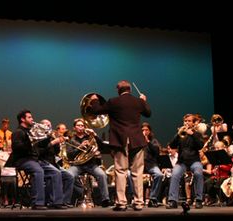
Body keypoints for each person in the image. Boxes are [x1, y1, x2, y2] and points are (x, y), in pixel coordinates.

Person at [87, 80, 151, 211]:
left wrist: (94, 100)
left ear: (118, 90)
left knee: (120, 171)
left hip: (120, 140)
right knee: (138, 172)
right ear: (130, 90)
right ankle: (139, 202)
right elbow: (148, 113)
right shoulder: (138, 102)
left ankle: (121, 202)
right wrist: (143, 101)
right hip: (137, 140)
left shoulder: (113, 101)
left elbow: (96, 110)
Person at [10, 109, 66, 210]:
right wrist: (31, 141)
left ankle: (56, 202)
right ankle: (37, 203)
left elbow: (41, 146)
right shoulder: (18, 132)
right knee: (38, 171)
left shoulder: (31, 131)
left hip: (34, 159)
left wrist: (47, 137)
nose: (32, 119)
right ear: (22, 119)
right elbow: (17, 147)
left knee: (56, 172)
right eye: (29, 117)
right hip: (23, 160)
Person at [63, 118, 110, 207]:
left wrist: (95, 135)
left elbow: (102, 146)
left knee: (102, 175)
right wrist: (80, 147)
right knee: (68, 174)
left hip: (91, 165)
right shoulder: (70, 140)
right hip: (78, 165)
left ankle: (105, 199)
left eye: (82, 126)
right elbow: (69, 155)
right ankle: (66, 201)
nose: (80, 127)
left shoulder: (90, 137)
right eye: (78, 125)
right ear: (74, 128)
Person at [167, 113, 206, 209]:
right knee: (175, 174)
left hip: (194, 160)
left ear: (193, 123)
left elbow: (200, 146)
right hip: (182, 162)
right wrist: (178, 134)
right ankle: (173, 201)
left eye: (189, 121)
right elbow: (172, 145)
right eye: (185, 121)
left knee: (198, 173)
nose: (187, 123)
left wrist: (192, 135)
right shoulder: (181, 134)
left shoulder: (197, 134)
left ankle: (199, 200)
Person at [141, 122, 163, 207]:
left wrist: (148, 142)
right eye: (142, 130)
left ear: (149, 131)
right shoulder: (137, 141)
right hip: (139, 165)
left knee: (159, 175)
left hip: (151, 165)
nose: (144, 132)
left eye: (146, 130)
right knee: (128, 174)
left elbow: (156, 152)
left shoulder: (154, 141)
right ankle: (134, 197)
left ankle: (153, 198)